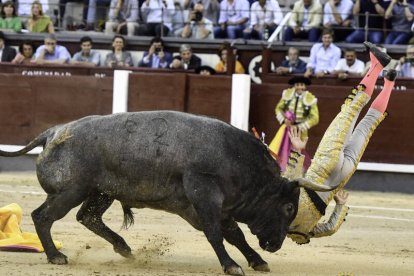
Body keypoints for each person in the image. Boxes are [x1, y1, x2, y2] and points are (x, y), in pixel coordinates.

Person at [285, 42, 397, 244]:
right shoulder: (281, 211)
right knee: (350, 110)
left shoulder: (306, 231)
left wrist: (340, 205)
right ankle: (377, 66)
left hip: (340, 179)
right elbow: (290, 181)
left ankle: (389, 83)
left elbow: (329, 228)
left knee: (368, 125)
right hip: (324, 166)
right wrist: (298, 151)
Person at [268, 76, 319, 172]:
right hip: (286, 128)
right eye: (297, 85)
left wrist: (299, 126)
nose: (299, 87)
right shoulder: (287, 94)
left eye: (301, 85)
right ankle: (279, 170)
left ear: (305, 86)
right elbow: (278, 108)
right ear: (294, 86)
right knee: (280, 147)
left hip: (300, 130)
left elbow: (315, 118)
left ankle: (296, 173)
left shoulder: (310, 98)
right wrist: (284, 120)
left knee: (298, 152)